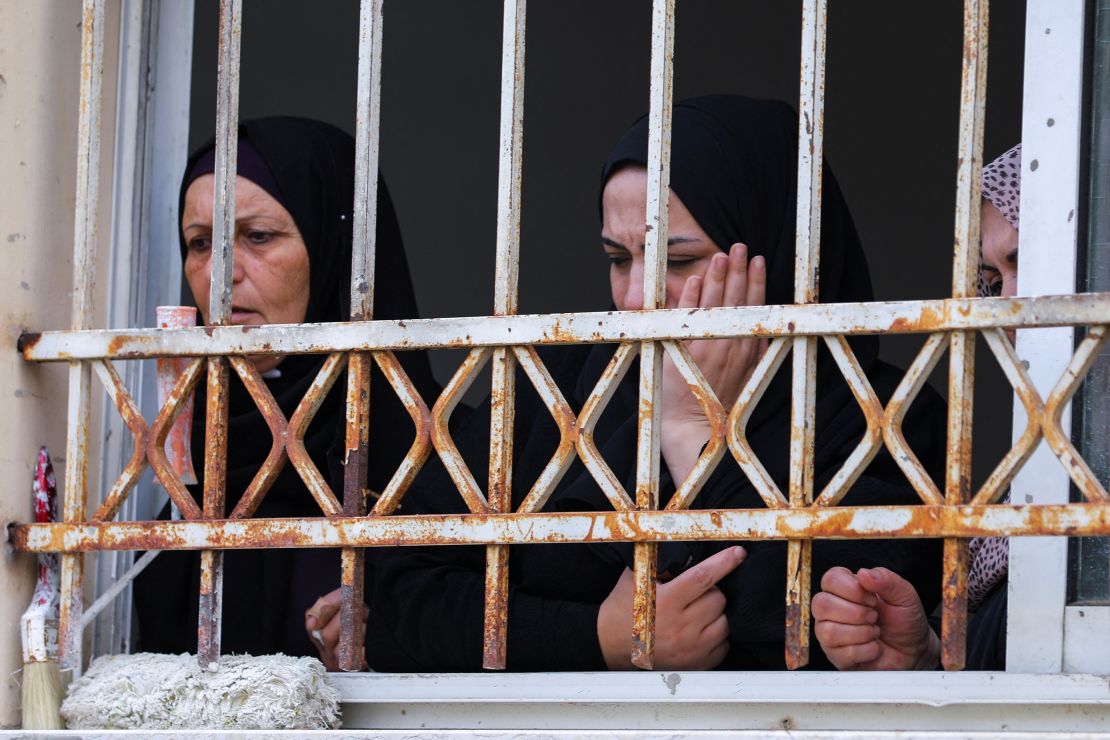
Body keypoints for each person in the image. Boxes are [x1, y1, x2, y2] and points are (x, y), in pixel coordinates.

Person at [313, 95, 947, 671]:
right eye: (619, 259)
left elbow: (809, 628)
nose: (637, 297)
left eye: (679, 260)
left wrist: (690, 433)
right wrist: (593, 635)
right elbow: (389, 594)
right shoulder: (549, 387)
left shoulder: (884, 419)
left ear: (781, 257)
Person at [133, 117, 444, 669]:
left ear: (335, 248)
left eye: (258, 236)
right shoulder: (189, 467)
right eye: (200, 243)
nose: (221, 274)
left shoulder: (439, 465)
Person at [811, 144, 1022, 671]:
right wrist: (928, 655)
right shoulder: (1041, 476)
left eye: (1032, 260)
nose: (1011, 306)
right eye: (992, 282)